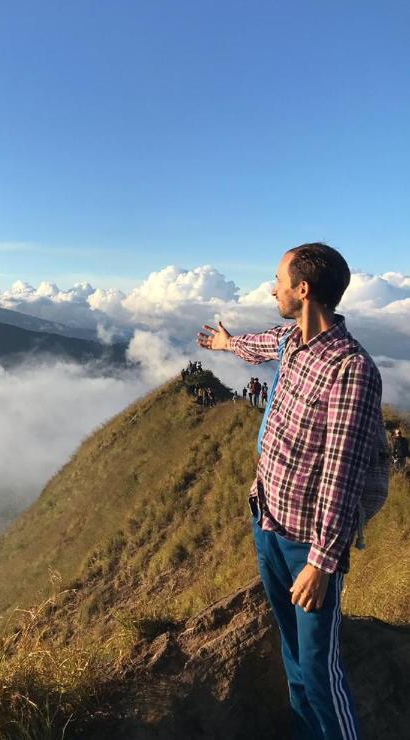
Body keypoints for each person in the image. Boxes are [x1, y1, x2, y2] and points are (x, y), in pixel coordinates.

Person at [197, 242, 384, 740]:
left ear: (303, 290)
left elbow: (344, 474)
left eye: (278, 279)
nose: (272, 287)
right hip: (267, 522)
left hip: (308, 546)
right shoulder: (290, 341)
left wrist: (322, 564)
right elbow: (258, 344)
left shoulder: (350, 369)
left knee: (321, 672)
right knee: (293, 654)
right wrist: (225, 343)